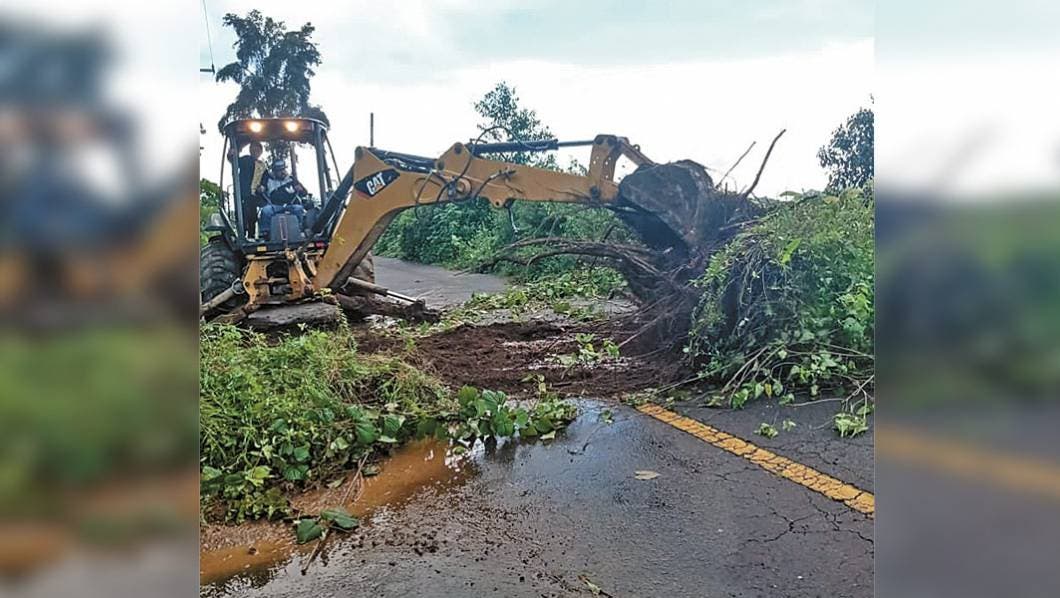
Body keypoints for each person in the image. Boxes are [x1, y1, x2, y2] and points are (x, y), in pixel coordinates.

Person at [257, 158, 307, 239]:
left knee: (299, 208)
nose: (282, 172)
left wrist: (300, 189)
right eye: (279, 170)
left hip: (290, 205)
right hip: (274, 205)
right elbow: (260, 191)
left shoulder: (291, 179)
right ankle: (265, 233)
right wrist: (260, 189)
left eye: (283, 169)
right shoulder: (268, 179)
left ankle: (300, 229)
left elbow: (304, 192)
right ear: (274, 171)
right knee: (266, 210)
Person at [232, 141, 265, 237]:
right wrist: (232, 154)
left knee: (253, 216)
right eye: (253, 149)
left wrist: (263, 187)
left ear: (260, 152)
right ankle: (242, 235)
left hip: (255, 195)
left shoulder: (262, 165)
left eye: (257, 150)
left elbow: (265, 178)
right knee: (243, 214)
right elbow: (235, 161)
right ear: (250, 150)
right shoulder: (245, 160)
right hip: (243, 193)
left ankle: (252, 235)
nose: (255, 152)